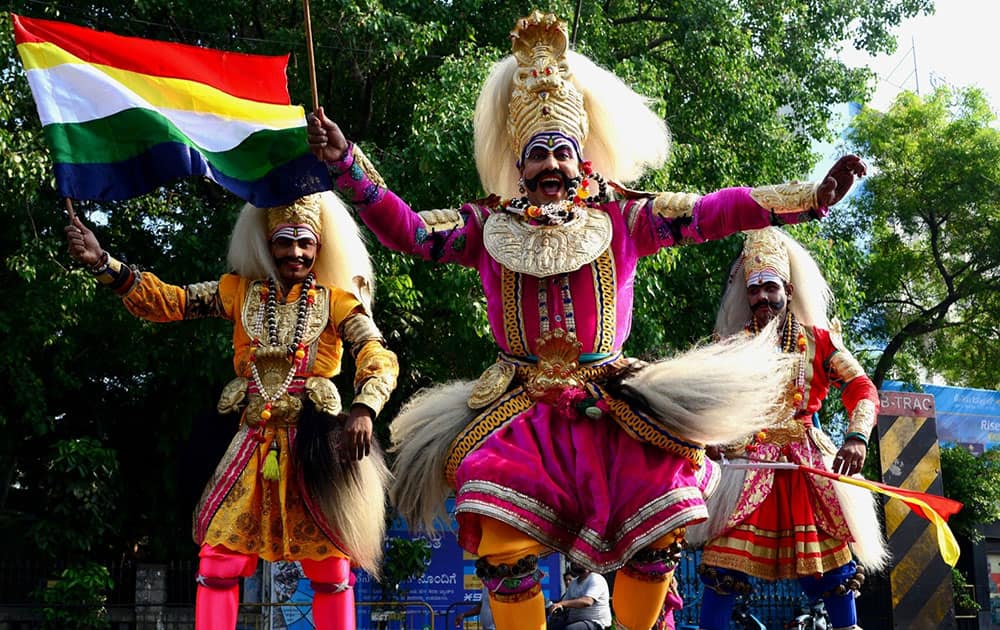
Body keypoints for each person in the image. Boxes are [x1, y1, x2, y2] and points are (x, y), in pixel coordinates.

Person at [308, 11, 865, 630]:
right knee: (503, 548)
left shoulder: (627, 216)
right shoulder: (486, 223)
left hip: (614, 404)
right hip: (519, 407)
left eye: (562, 152)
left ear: (582, 160)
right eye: (537, 154)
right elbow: (406, 230)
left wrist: (808, 198)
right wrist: (348, 166)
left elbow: (715, 211)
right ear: (519, 165)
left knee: (656, 540)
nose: (550, 164)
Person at [64, 191, 398, 630]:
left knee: (331, 570)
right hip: (250, 442)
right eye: (284, 241)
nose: (295, 252)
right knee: (218, 562)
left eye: (305, 242)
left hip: (314, 445)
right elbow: (172, 302)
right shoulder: (239, 293)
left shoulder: (337, 301)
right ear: (266, 243)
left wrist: (364, 408)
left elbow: (376, 353)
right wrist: (103, 263)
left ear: (319, 246)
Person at [688, 227, 887, 630]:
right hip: (746, 468)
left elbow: (861, 387)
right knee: (723, 569)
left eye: (770, 287)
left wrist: (857, 437)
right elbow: (705, 403)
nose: (762, 297)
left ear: (789, 290)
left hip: (806, 468)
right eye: (755, 289)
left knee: (833, 571)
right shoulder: (731, 346)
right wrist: (707, 440)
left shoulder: (820, 342)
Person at [547, 562, 612, 630]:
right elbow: (563, 603)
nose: (575, 562)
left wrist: (562, 603)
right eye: (574, 560)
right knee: (552, 626)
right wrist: (554, 606)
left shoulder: (596, 578)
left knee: (570, 629)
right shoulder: (573, 583)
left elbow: (587, 601)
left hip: (596, 623)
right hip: (575, 621)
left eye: (579, 560)